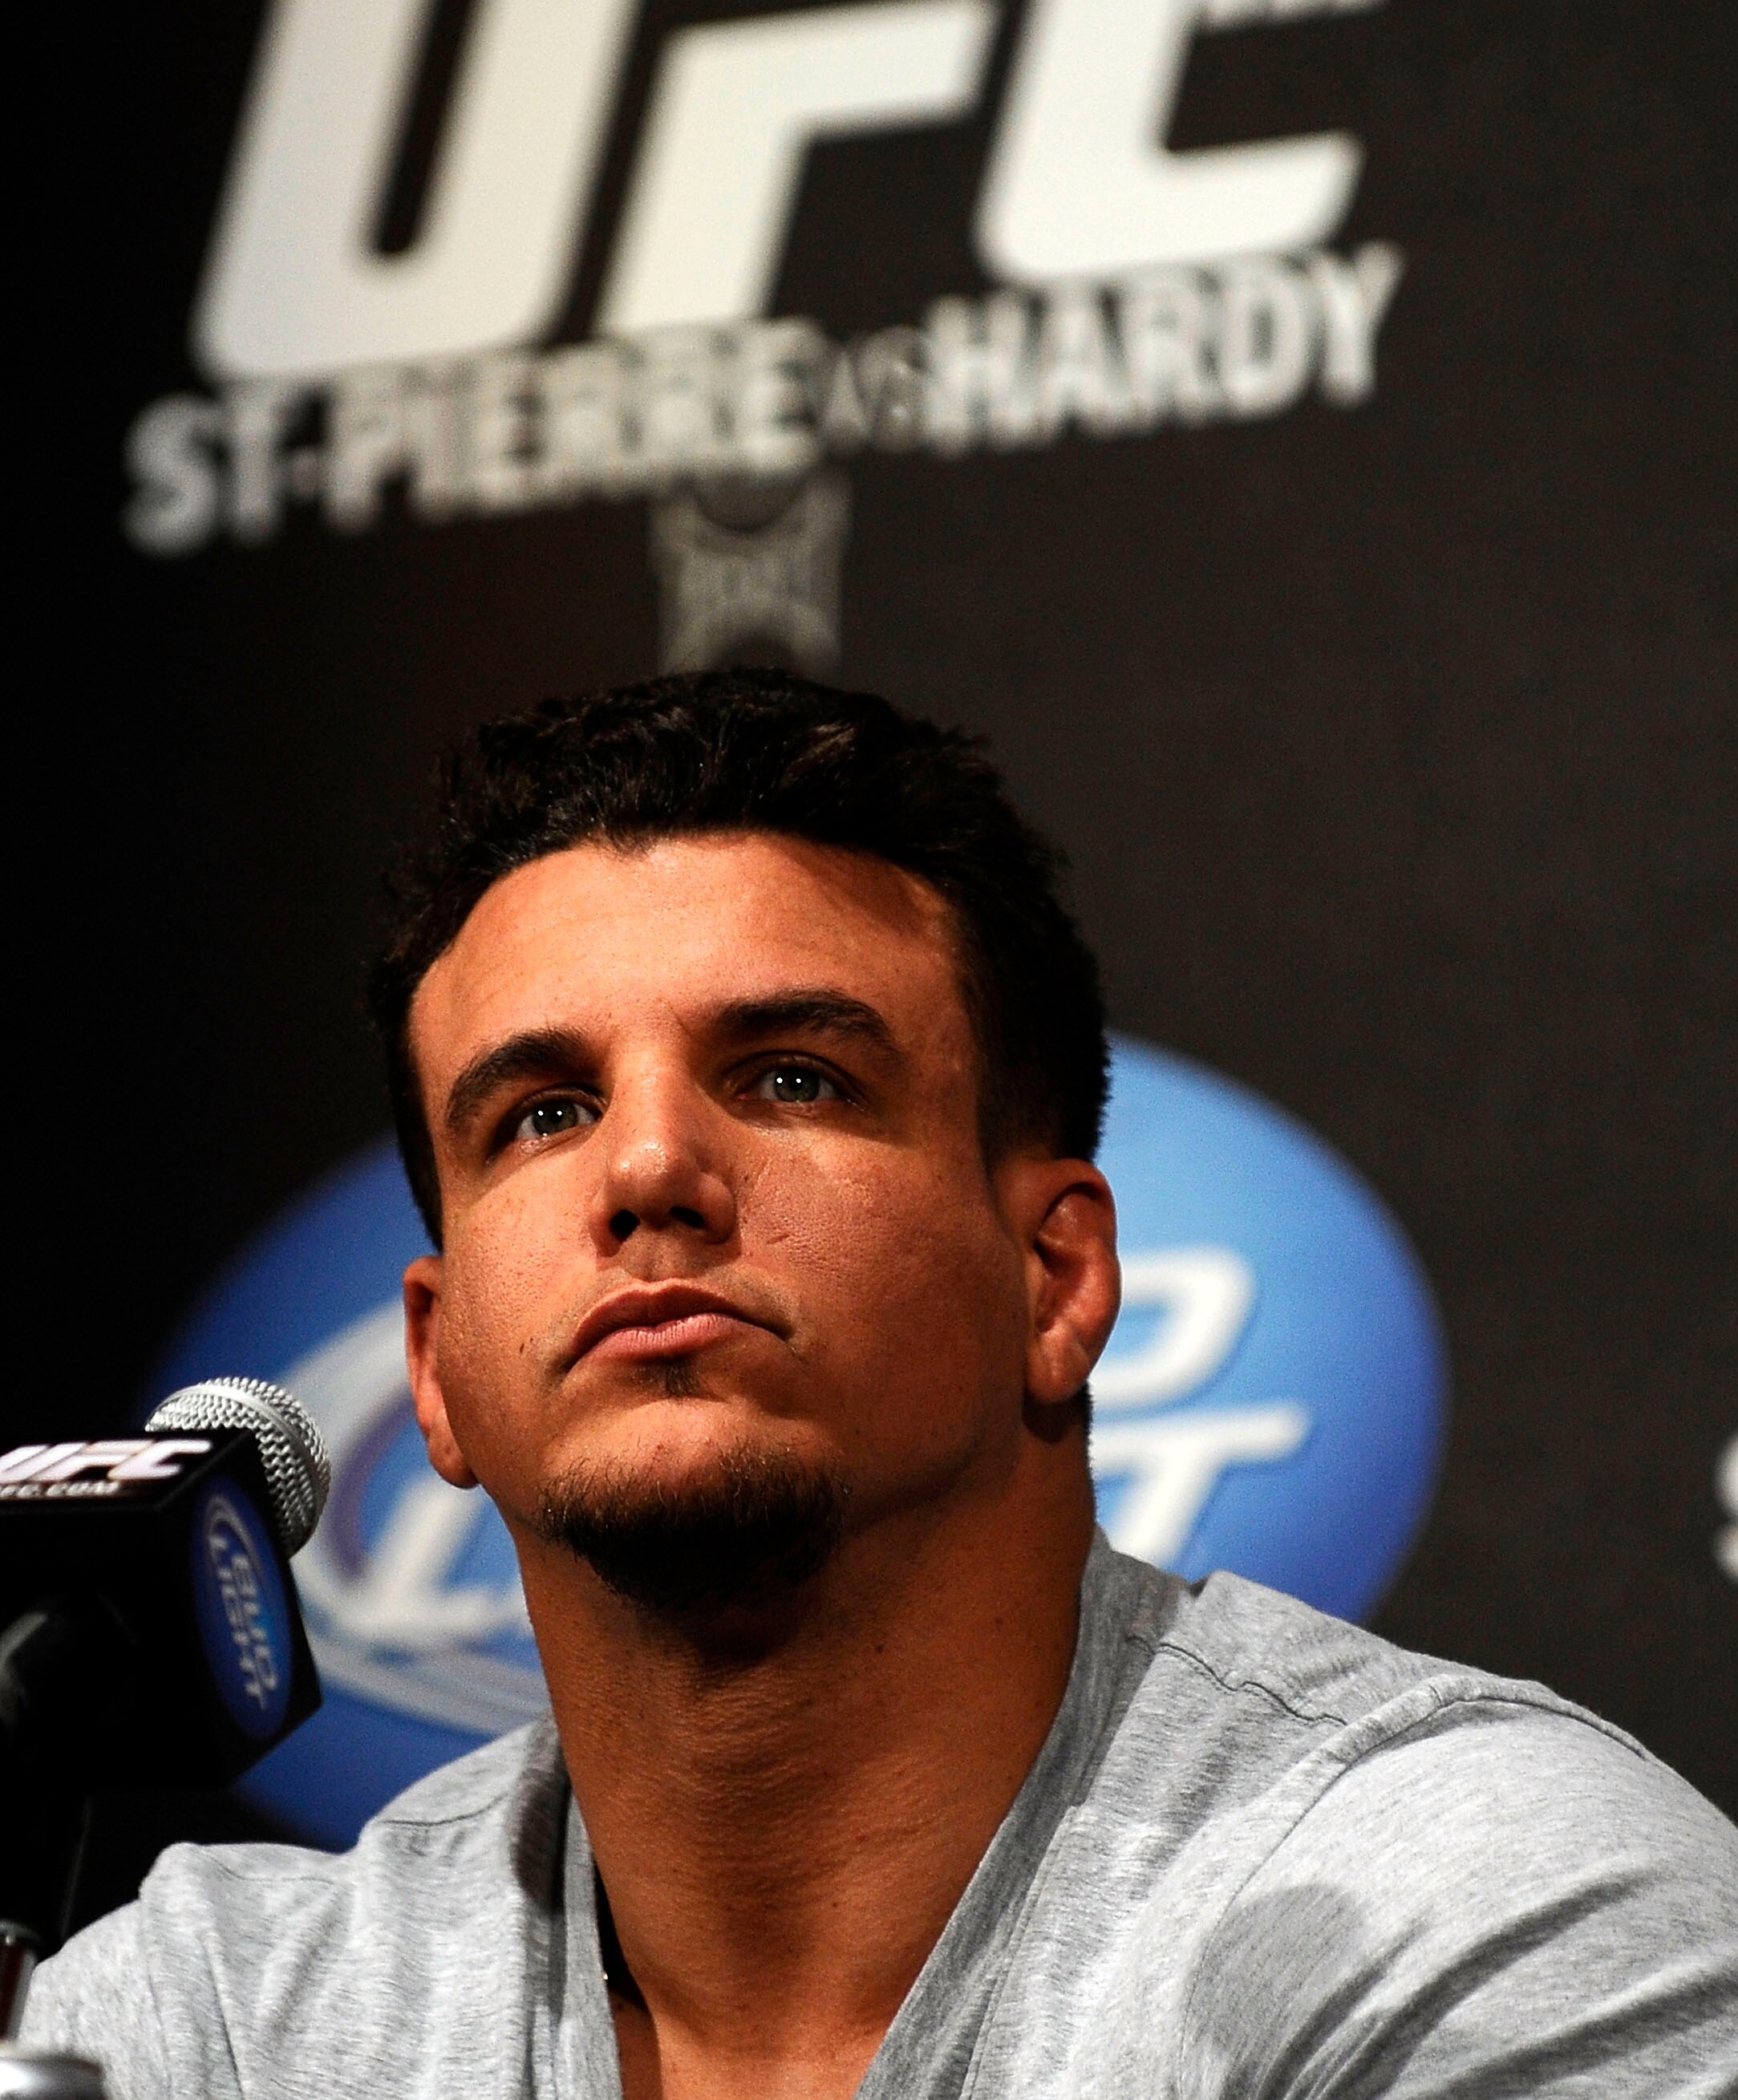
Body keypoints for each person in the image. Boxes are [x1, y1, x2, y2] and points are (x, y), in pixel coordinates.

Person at [26, 671, 1738, 2098]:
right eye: (538, 1113)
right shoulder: (220, 2032)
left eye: (788, 1076)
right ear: (437, 1370)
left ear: (1054, 1277)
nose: (647, 1169)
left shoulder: (1460, 1904)